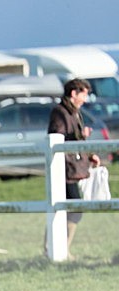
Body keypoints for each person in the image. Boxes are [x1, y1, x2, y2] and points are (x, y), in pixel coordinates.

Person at [47, 78, 100, 259]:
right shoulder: (60, 113)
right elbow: (57, 139)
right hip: (63, 169)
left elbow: (75, 139)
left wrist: (89, 152)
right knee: (71, 210)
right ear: (74, 93)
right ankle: (55, 248)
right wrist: (78, 137)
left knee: (68, 209)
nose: (85, 99)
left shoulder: (74, 112)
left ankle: (59, 248)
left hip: (70, 168)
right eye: (83, 95)